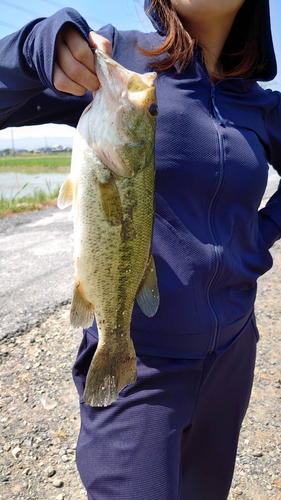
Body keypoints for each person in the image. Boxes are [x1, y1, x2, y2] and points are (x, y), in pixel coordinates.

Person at [0, 1, 280, 498]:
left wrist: (258, 236)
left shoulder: (261, 104)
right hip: (140, 364)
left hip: (233, 354)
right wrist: (36, 49)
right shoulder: (117, 61)